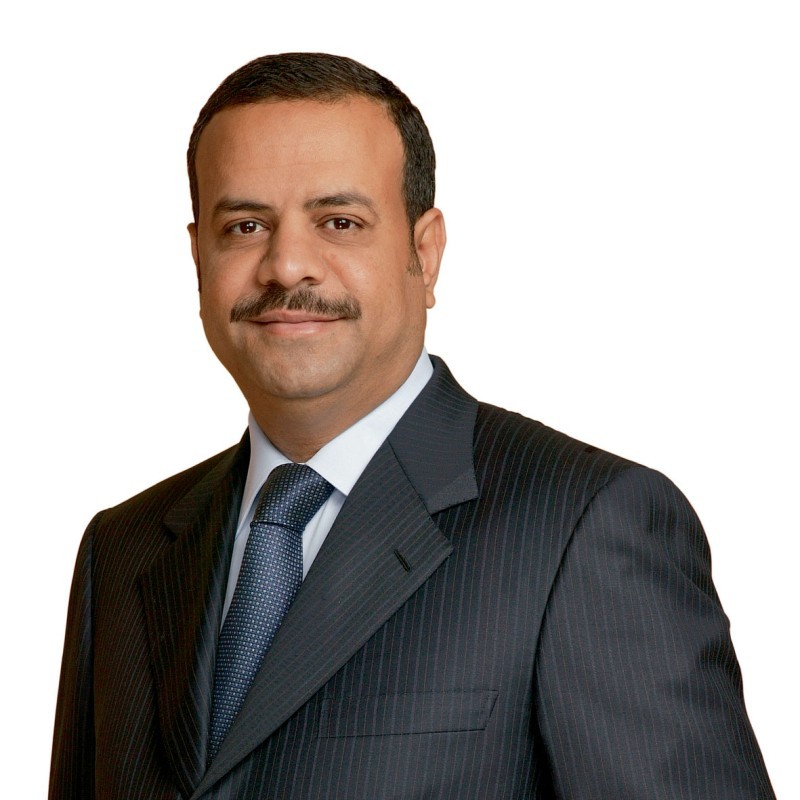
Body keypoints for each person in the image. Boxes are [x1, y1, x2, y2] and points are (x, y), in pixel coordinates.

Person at [50, 52, 775, 800]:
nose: (286, 266)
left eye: (339, 222)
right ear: (199, 257)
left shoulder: (583, 525)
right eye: (245, 225)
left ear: (424, 255)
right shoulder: (122, 550)